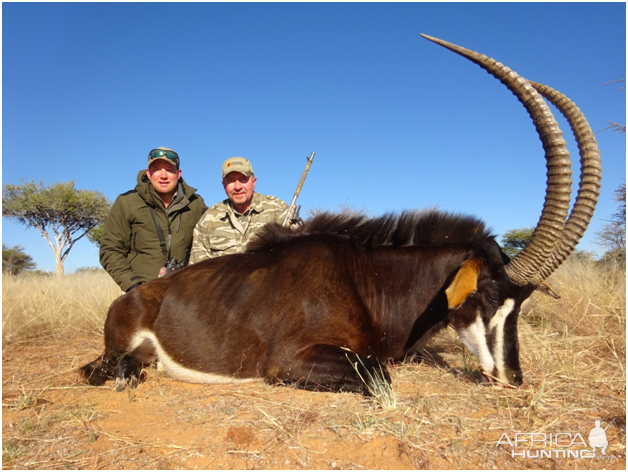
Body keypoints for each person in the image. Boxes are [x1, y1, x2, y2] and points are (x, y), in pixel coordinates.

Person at [100, 147, 207, 291]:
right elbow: (110, 249)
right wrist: (133, 287)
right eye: (157, 169)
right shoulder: (127, 202)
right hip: (140, 291)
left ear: (178, 173)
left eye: (169, 169)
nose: (163, 175)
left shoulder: (196, 203)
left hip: (183, 292)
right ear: (148, 174)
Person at [189, 157, 291, 262]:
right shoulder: (209, 219)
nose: (237, 187)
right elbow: (197, 269)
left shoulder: (278, 209)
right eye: (231, 181)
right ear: (224, 185)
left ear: (254, 182)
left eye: (243, 179)